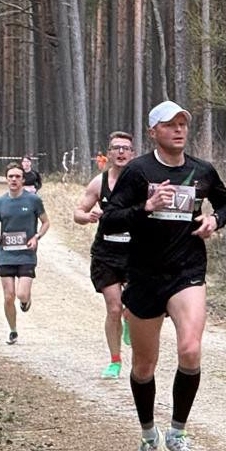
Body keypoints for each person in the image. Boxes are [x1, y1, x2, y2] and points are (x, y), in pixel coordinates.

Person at [99, 101, 226, 451]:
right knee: (145, 366)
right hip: (144, 276)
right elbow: (110, 220)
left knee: (190, 350)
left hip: (187, 272)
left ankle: (177, 433)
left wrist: (214, 220)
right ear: (153, 131)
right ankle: (148, 438)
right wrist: (145, 207)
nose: (178, 130)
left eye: (183, 124)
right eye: (169, 124)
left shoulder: (202, 170)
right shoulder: (138, 171)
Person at [73, 132, 138, 378]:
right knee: (114, 308)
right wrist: (87, 217)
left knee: (131, 309)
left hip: (135, 253)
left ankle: (129, 323)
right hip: (106, 253)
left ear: (133, 154)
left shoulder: (141, 182)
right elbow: (78, 212)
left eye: (126, 148)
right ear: (109, 153)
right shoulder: (99, 183)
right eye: (116, 148)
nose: (121, 152)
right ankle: (115, 361)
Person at [0, 163, 48, 345]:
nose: (14, 180)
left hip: (27, 253)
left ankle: (26, 301)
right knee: (8, 296)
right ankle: (13, 330)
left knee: (21, 294)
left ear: (23, 180)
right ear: (6, 179)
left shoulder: (33, 200)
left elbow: (46, 222)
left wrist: (37, 237)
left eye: (17, 177)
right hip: (6, 253)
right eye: (10, 177)